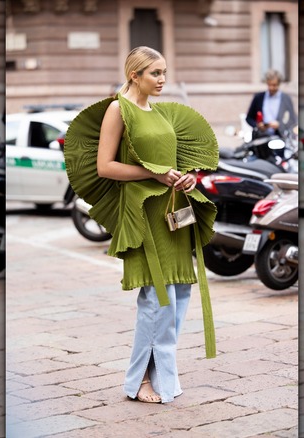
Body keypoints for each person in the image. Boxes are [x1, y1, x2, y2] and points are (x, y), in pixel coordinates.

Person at [64, 46, 218, 403]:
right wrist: (155, 174)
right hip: (144, 212)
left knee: (178, 296)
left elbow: (171, 161)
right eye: (155, 73)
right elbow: (105, 166)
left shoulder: (160, 112)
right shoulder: (118, 109)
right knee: (156, 299)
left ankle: (161, 375)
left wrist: (188, 176)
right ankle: (139, 381)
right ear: (134, 75)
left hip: (174, 211)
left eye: (164, 72)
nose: (163, 79)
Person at [245, 69, 298, 137]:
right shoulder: (258, 97)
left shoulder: (286, 99)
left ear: (279, 84)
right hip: (261, 137)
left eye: (274, 85)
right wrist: (257, 125)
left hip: (280, 137)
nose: (271, 88)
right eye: (269, 85)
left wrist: (279, 125)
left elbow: (292, 120)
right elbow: (249, 118)